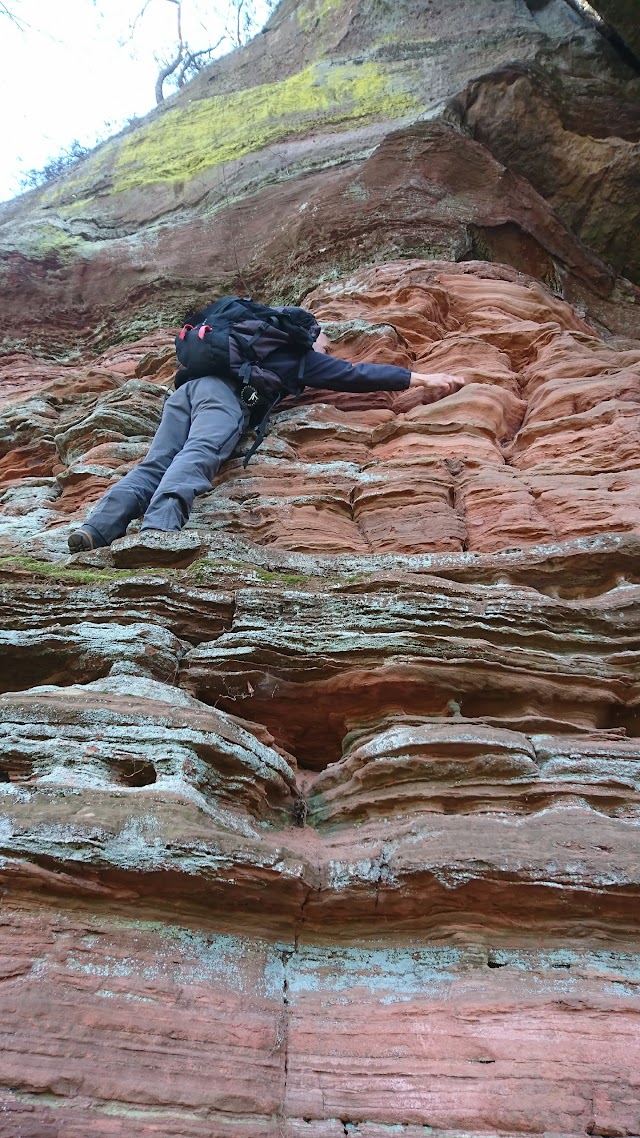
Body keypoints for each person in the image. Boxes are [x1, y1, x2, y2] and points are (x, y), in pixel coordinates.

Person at [67, 327, 464, 552]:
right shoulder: (300, 356)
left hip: (186, 391)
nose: (327, 351)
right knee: (201, 451)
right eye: (326, 345)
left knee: (155, 463)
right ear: (314, 340)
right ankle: (159, 531)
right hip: (224, 397)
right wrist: (423, 378)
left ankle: (97, 529)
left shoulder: (248, 346)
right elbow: (355, 375)